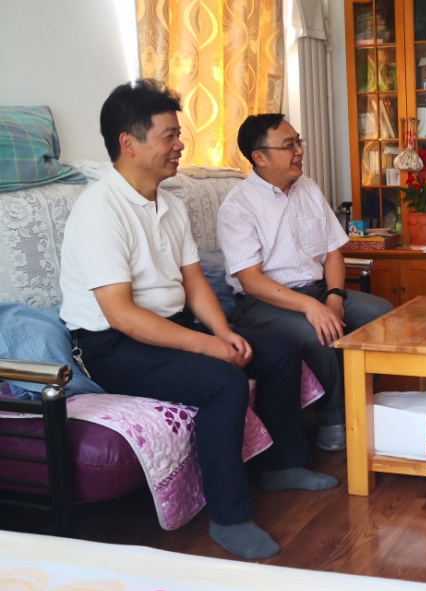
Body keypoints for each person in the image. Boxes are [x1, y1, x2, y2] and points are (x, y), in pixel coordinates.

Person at [59, 80, 337, 561]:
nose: (180, 145)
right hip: (112, 345)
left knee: (276, 351)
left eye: (178, 134)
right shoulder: (99, 211)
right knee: (223, 382)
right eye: (168, 136)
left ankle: (281, 465)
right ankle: (229, 518)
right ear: (129, 143)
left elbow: (193, 281)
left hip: (171, 326)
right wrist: (209, 347)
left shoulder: (169, 203)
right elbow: (122, 315)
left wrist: (223, 332)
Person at [217, 114, 394, 451]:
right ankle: (333, 419)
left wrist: (335, 296)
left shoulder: (308, 187)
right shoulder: (237, 207)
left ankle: (368, 403)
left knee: (382, 315)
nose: (299, 151)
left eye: (298, 142)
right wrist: (312, 307)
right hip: (263, 303)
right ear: (260, 157)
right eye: (289, 145)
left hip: (317, 290)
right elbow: (251, 281)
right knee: (318, 332)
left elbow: (333, 252)